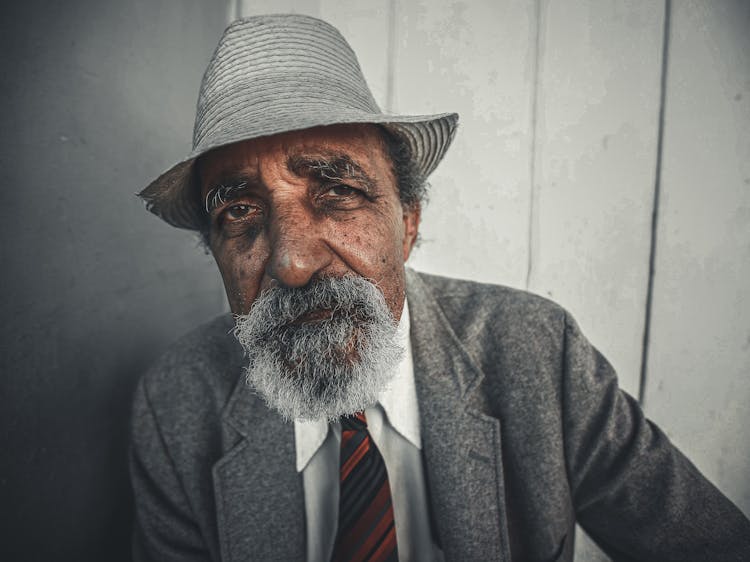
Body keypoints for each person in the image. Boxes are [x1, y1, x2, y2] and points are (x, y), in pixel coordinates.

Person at [130, 14, 750, 562]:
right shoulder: (175, 403)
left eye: (337, 191)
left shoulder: (540, 352)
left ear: (407, 223)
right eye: (238, 211)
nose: (292, 263)